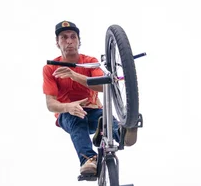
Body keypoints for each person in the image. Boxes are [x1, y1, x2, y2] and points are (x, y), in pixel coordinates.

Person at [42, 21, 137, 177]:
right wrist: (68, 107)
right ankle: (88, 160)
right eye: (64, 37)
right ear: (57, 43)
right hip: (68, 114)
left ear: (79, 41)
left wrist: (74, 75)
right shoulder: (50, 68)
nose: (69, 41)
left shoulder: (89, 62)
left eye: (73, 37)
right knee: (76, 118)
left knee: (105, 118)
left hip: (93, 110)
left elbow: (103, 86)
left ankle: (122, 135)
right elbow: (50, 104)